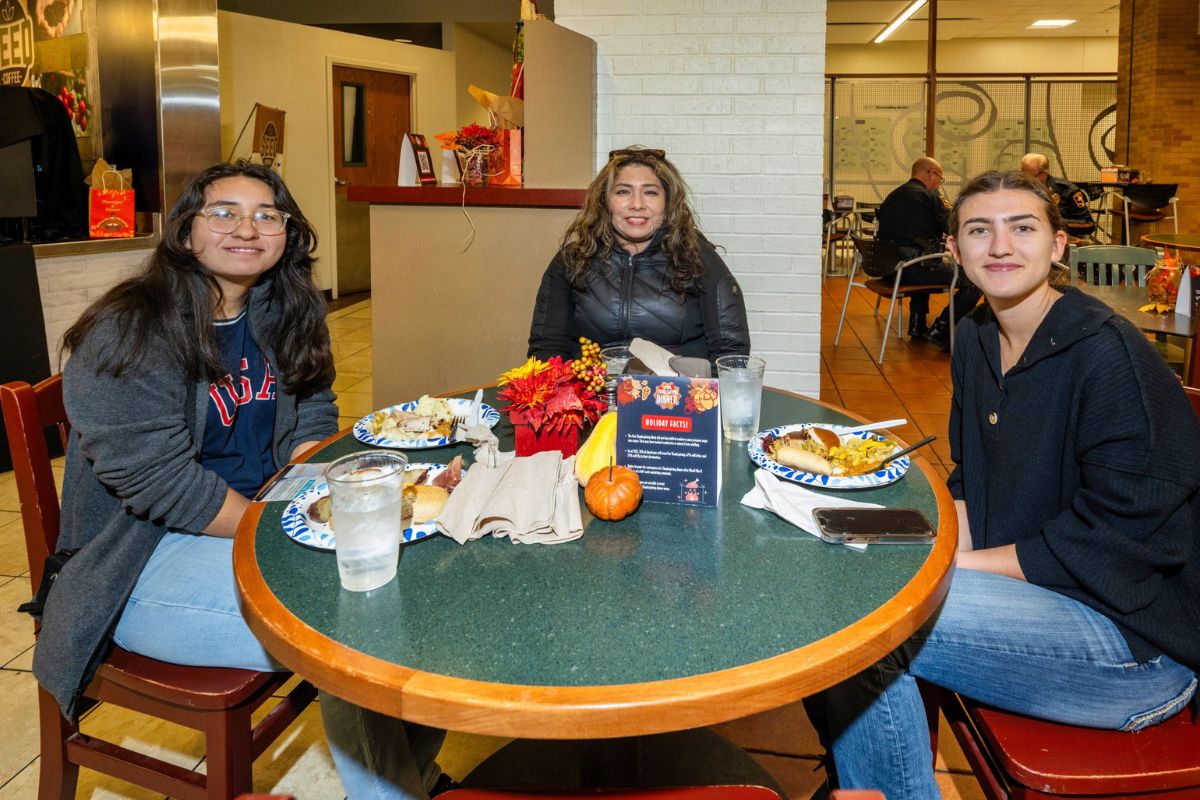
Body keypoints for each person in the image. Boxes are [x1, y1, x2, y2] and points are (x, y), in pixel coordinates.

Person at [36, 161, 447, 799]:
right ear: (185, 232)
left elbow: (312, 404)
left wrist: (324, 483)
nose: (247, 228)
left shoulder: (279, 308)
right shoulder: (131, 329)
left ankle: (416, 780)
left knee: (412, 579)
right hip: (137, 563)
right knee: (353, 631)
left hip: (254, 518)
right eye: (224, 212)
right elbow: (159, 484)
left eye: (267, 214)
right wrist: (276, 530)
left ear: (287, 231)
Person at [806, 170, 1200, 799]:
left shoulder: (1107, 357)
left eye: (1022, 227)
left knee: (871, 618)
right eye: (978, 230)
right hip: (1037, 599)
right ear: (954, 250)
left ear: (1058, 246)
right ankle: (864, 779)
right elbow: (969, 476)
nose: (1000, 247)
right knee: (843, 570)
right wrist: (930, 546)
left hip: (1132, 647)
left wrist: (953, 565)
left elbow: (1117, 544)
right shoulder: (979, 339)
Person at [527, 146, 750, 361]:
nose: (636, 204)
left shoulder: (698, 258)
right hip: (592, 395)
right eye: (623, 191)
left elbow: (730, 353)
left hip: (674, 395)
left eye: (650, 192)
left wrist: (701, 397)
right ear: (605, 201)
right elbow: (547, 349)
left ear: (668, 202)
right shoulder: (572, 260)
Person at [877, 157, 982, 349]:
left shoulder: (892, 196)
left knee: (923, 261)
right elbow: (951, 226)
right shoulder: (929, 196)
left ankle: (917, 325)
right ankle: (942, 329)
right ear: (932, 174)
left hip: (888, 270)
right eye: (940, 179)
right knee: (975, 279)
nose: (939, 185)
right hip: (911, 271)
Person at [1020, 152, 1096, 238]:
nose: (1026, 180)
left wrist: (1057, 223)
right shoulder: (1018, 189)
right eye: (1023, 175)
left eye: (1031, 177)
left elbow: (1089, 225)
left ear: (1044, 174)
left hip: (1059, 239)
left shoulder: (1067, 190)